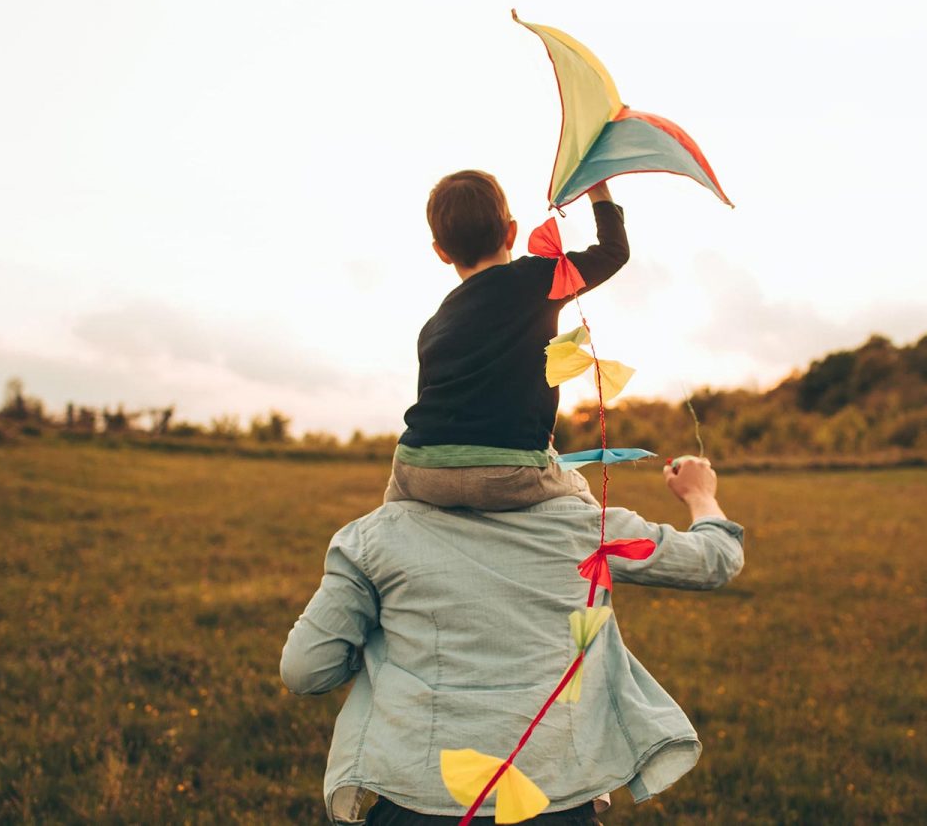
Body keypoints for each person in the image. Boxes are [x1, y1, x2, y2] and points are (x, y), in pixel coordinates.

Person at [281, 457, 745, 824]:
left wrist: (385, 649)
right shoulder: (589, 527)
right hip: (552, 804)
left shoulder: (373, 536)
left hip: (413, 807)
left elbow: (306, 670)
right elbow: (715, 559)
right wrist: (700, 493)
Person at [384, 170, 628, 511]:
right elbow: (614, 252)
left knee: (393, 516)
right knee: (578, 494)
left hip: (415, 467)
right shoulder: (537, 278)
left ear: (441, 252)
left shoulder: (434, 323)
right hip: (506, 470)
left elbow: (430, 400)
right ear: (511, 232)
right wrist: (597, 188)